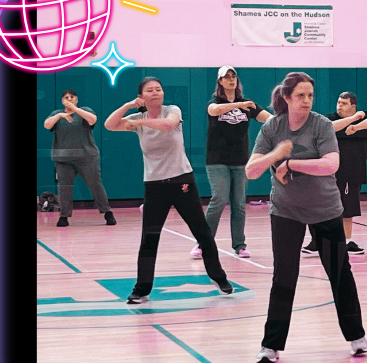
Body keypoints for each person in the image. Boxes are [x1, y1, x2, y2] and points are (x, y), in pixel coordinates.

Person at [245, 72, 367, 363]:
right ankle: (271, 345)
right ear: (286, 98)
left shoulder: (321, 125)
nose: (306, 100)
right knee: (284, 276)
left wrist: (291, 162)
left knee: (340, 274)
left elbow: (331, 164)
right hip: (286, 211)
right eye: (300, 95)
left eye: (310, 95)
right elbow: (252, 170)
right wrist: (276, 153)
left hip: (325, 209)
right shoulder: (272, 128)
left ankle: (356, 336)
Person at [103, 77, 234, 304]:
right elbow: (109, 125)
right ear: (141, 96)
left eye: (159, 89)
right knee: (149, 238)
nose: (156, 93)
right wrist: (127, 107)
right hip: (154, 185)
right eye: (150, 90)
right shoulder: (137, 117)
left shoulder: (172, 110)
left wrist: (140, 123)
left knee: (202, 232)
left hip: (182, 181)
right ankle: (142, 289)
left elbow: (168, 124)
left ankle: (219, 278)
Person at [194, 66, 270, 260]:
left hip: (240, 161)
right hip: (217, 161)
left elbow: (268, 119)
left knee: (239, 204)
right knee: (219, 199)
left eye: (233, 76)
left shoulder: (247, 104)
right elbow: (214, 110)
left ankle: (240, 245)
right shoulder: (215, 102)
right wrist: (236, 106)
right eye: (226, 77)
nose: (230, 80)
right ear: (220, 82)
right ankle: (203, 243)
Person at [302, 92, 367, 256]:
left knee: (347, 210)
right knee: (322, 208)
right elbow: (329, 127)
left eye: (344, 103)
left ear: (353, 106)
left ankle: (345, 242)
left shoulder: (362, 121)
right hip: (328, 172)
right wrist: (351, 120)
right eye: (338, 102)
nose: (339, 106)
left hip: (351, 173)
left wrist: (356, 126)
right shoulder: (330, 118)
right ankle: (318, 241)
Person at [45, 89, 116, 227]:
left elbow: (92, 120)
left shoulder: (85, 111)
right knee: (64, 188)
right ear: (62, 101)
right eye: (66, 97)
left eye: (72, 97)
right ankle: (64, 216)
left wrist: (75, 110)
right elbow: (47, 125)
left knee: (95, 184)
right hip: (64, 159)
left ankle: (107, 212)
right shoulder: (56, 114)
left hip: (87, 157)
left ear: (76, 99)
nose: (69, 99)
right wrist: (60, 115)